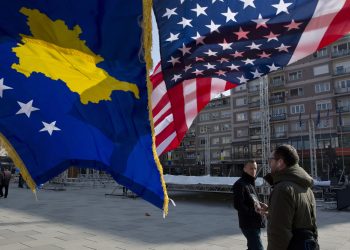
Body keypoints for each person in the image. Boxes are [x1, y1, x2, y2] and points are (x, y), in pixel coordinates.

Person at [265, 144, 319, 250]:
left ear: (280, 162)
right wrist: (271, 211)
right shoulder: (306, 187)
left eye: (270, 160)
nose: (269, 163)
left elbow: (279, 234)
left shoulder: (283, 189)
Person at [233, 160, 266, 250]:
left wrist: (260, 204)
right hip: (249, 223)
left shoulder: (250, 182)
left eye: (255, 168)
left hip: (255, 221)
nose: (253, 170)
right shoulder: (240, 184)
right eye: (251, 168)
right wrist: (254, 211)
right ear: (244, 169)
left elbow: (252, 199)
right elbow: (238, 205)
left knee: (253, 247)